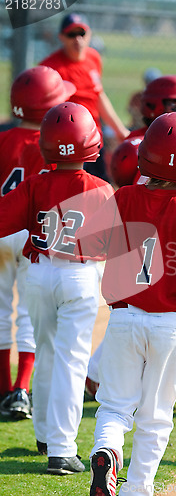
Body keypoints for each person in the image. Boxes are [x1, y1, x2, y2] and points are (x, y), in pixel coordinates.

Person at [75, 112, 176, 496]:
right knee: (155, 419)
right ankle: (137, 489)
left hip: (123, 321)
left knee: (114, 407)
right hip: (171, 326)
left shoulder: (123, 196)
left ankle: (106, 451)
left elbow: (90, 246)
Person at [0, 102, 113, 473]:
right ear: (90, 144)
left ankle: (47, 435)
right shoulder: (101, 189)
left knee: (47, 353)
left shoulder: (36, 183)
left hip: (38, 273)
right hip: (79, 278)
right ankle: (61, 450)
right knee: (70, 361)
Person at [0, 66, 76, 420]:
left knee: (1, 310)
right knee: (30, 315)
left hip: (2, 231)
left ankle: (3, 388)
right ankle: (22, 389)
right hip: (35, 232)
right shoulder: (51, 143)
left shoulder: (3, 139)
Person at [40, 12, 130, 181]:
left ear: (89, 35)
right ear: (61, 37)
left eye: (82, 34)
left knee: (100, 190)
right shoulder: (50, 68)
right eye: (71, 34)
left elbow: (99, 95)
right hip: (68, 146)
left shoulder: (93, 58)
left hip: (94, 139)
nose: (77, 40)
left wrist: (119, 130)